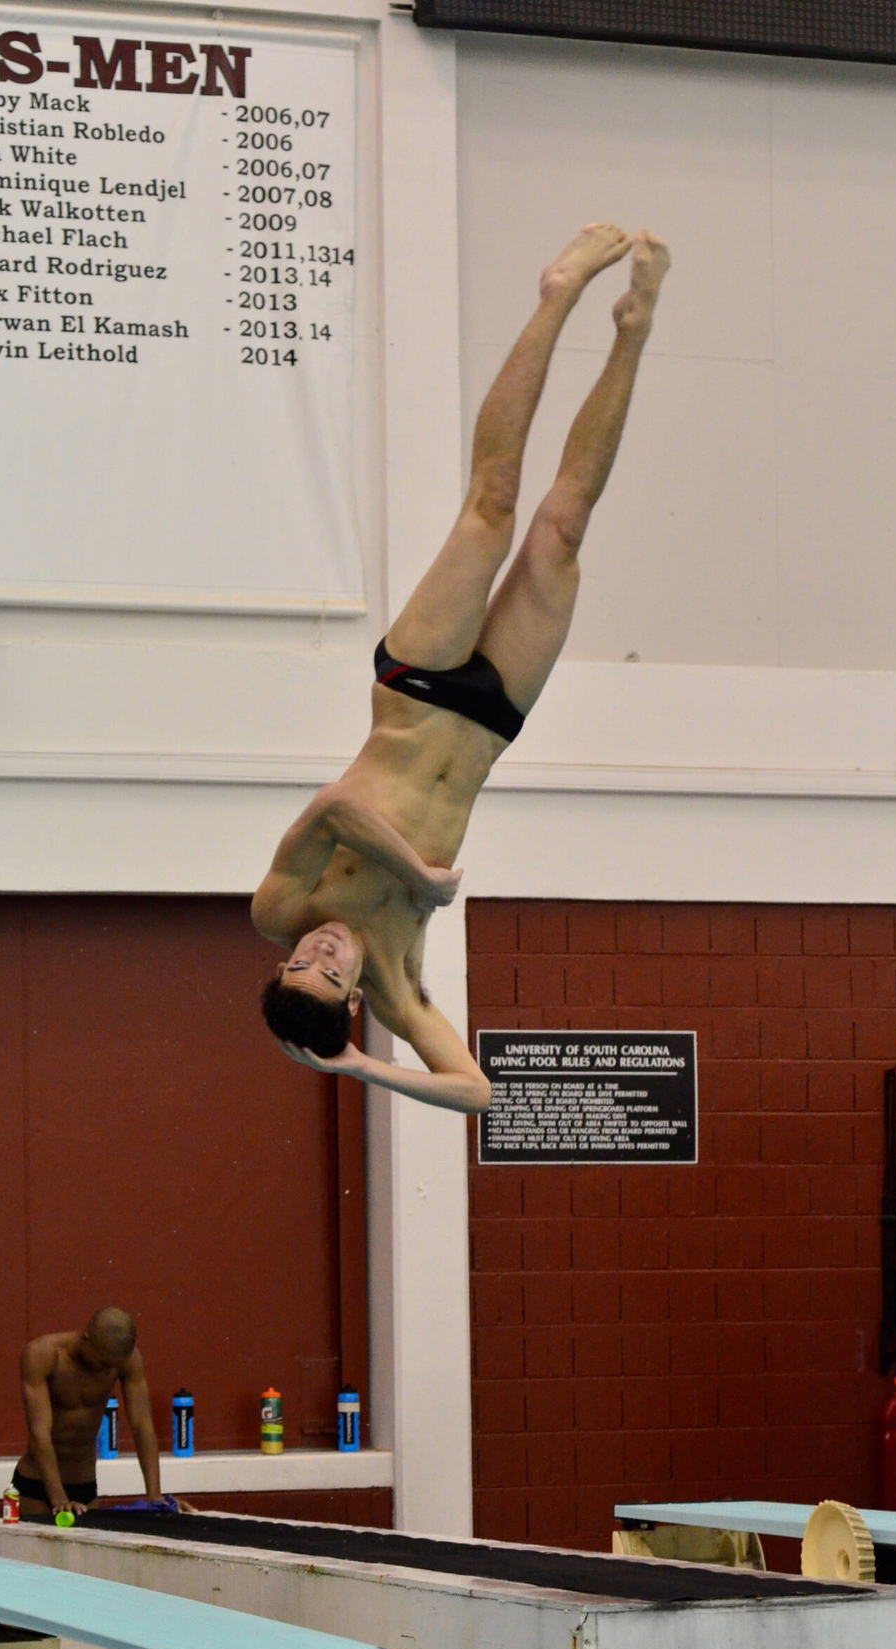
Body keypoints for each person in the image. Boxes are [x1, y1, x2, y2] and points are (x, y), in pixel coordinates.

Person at [253, 224, 670, 1113]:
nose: (319, 948)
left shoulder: (278, 910)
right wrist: (359, 1067)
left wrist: (416, 875)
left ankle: (555, 295)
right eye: (329, 969)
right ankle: (632, 329)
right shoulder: (395, 987)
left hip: (414, 687)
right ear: (353, 999)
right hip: (489, 723)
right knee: (563, 528)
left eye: (302, 960)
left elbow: (333, 808)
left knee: (491, 504)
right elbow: (475, 1093)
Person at [14, 1307, 188, 1519]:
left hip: (85, 1485)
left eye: (113, 1366)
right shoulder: (43, 1355)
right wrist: (59, 1499)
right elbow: (40, 1431)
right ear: (86, 1339)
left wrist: (155, 1497)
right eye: (103, 1363)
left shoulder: (126, 1359)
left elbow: (142, 1425)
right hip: (37, 1485)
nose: (106, 1370)